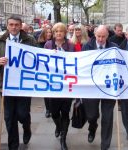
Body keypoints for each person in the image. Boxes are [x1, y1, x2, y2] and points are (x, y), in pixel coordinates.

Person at [0, 15, 37, 150]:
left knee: (22, 114)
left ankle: (27, 127)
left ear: (21, 26)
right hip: (6, 87)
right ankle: (13, 146)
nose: (14, 27)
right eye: (11, 25)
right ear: (7, 26)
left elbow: (38, 58)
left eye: (16, 25)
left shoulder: (30, 40)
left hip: (24, 86)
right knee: (9, 119)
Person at [82, 25, 118, 150]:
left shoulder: (114, 48)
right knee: (92, 116)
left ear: (107, 36)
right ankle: (92, 128)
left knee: (107, 117)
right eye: (99, 36)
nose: (101, 39)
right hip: (91, 87)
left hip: (108, 87)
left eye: (103, 37)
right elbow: (82, 66)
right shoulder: (87, 46)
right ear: (94, 35)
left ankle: (105, 145)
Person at [44, 22, 74, 150]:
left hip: (67, 85)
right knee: (55, 112)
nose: (58, 33)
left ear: (64, 33)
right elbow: (42, 62)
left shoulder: (70, 45)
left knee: (65, 112)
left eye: (61, 31)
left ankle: (63, 138)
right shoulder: (48, 45)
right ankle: (58, 125)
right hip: (53, 85)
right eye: (56, 31)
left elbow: (74, 62)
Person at [37, 26, 53, 118]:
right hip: (44, 70)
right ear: (43, 34)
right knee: (45, 90)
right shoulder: (39, 44)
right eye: (47, 32)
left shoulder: (54, 43)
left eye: (50, 32)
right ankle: (48, 109)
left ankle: (53, 107)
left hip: (53, 70)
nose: (49, 34)